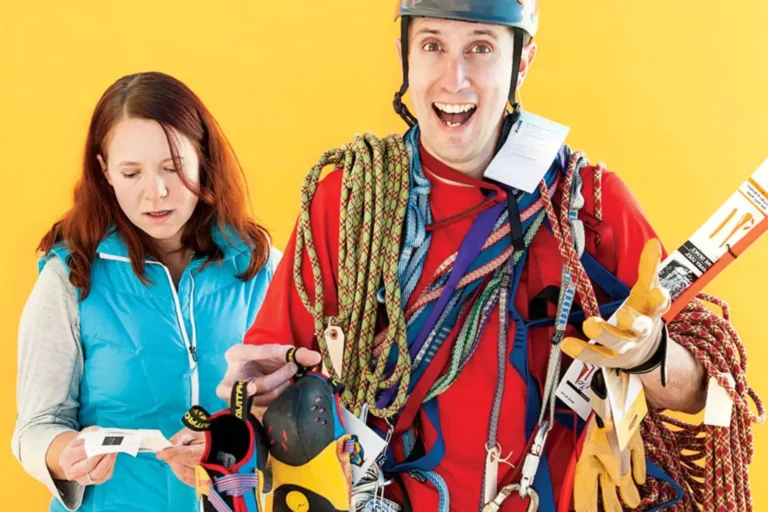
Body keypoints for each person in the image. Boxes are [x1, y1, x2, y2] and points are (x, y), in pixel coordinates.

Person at [214, 2, 751, 511]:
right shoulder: (350, 203)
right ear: (404, 56)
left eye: (481, 48)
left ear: (522, 62)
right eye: (432, 46)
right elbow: (271, 391)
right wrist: (246, 407)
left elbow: (707, 400)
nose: (454, 79)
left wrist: (651, 355)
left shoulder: (588, 205)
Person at [11, 71, 281, 512]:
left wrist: (231, 449)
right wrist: (65, 455)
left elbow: (305, 422)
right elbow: (36, 426)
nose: (155, 193)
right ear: (105, 172)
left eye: (173, 167)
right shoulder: (70, 276)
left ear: (203, 159)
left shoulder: (262, 267)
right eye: (131, 172)